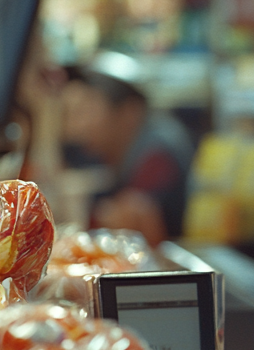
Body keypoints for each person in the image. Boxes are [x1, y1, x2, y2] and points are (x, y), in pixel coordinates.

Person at [60, 66, 194, 245]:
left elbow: (132, 223)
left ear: (130, 111)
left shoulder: (157, 156)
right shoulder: (110, 152)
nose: (78, 128)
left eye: (89, 111)